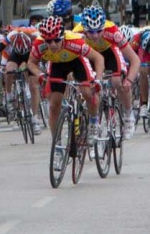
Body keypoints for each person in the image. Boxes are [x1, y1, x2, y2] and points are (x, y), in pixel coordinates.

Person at [26, 16, 104, 146]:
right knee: (54, 104)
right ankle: (57, 144)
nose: (53, 45)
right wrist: (40, 74)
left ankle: (93, 123)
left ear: (63, 37)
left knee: (87, 93)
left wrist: (98, 80)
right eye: (49, 41)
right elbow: (31, 63)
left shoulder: (75, 42)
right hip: (57, 65)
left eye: (57, 40)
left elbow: (98, 58)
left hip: (77, 62)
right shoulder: (39, 45)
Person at [73, 5, 141, 139]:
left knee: (117, 82)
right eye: (90, 32)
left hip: (109, 52)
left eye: (99, 31)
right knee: (85, 87)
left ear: (103, 27)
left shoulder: (113, 31)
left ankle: (128, 115)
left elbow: (135, 60)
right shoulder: (77, 33)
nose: (95, 36)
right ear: (84, 29)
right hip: (89, 55)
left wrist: (129, 80)